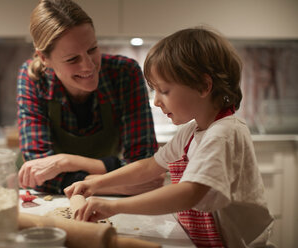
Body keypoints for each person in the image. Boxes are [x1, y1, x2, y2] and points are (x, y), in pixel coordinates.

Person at [65, 27, 274, 247]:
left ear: (203, 86)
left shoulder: (224, 133)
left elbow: (189, 193)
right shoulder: (191, 131)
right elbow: (149, 167)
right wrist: (96, 184)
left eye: (163, 91)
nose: (156, 101)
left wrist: (114, 207)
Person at [17, 0, 162, 195]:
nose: (88, 66)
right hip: (51, 200)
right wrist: (116, 184)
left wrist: (64, 163)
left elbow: (142, 162)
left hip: (96, 199)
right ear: (44, 58)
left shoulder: (124, 73)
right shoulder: (33, 79)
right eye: (72, 59)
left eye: (92, 49)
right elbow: (38, 173)